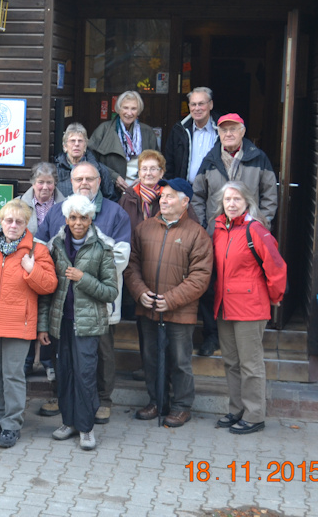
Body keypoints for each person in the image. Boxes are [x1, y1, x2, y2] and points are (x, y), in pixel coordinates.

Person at [35, 162, 131, 423]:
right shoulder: (58, 212)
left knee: (100, 352)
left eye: (90, 179)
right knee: (63, 353)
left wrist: (84, 271)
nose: (84, 183)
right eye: (79, 180)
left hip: (97, 299)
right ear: (71, 183)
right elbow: (41, 247)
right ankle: (63, 397)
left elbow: (121, 256)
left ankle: (103, 399)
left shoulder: (115, 213)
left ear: (100, 182)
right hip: (63, 300)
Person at [124, 178, 213, 428]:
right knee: (151, 358)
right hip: (148, 307)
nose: (163, 200)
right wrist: (140, 292)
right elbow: (131, 266)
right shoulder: (144, 229)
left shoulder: (198, 234)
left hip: (180, 311)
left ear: (185, 202)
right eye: (162, 196)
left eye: (170, 196)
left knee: (179, 361)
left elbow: (200, 277)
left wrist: (170, 300)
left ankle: (182, 406)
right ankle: (156, 402)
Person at [192, 113, 278, 357]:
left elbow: (270, 195)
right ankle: (212, 335)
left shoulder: (258, 157)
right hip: (216, 233)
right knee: (212, 284)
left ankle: (243, 333)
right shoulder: (210, 159)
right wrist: (204, 225)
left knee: (244, 281)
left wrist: (263, 223)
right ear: (218, 134)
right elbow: (198, 195)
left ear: (242, 131)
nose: (227, 134)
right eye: (223, 130)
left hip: (248, 235)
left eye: (233, 130)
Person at [38, 195, 119, 451]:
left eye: (83, 217)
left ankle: (85, 428)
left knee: (85, 375)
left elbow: (110, 292)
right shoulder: (56, 246)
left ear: (91, 218)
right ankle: (68, 422)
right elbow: (47, 290)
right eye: (73, 217)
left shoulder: (103, 248)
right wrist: (43, 325)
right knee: (65, 375)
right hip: (61, 322)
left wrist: (83, 278)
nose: (78, 223)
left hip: (88, 325)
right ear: (66, 219)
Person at [0, 199, 58, 449]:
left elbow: (49, 285)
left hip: (18, 323)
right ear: (0, 222)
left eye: (19, 221)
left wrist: (32, 269)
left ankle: (12, 425)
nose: (13, 225)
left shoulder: (36, 250)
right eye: (8, 220)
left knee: (13, 375)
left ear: (26, 224)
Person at [212, 181, 287, 435]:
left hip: (250, 307)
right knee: (231, 362)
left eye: (236, 200)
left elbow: (276, 267)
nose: (231, 204)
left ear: (247, 202)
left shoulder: (255, 229)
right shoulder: (220, 228)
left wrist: (275, 297)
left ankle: (255, 415)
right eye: (227, 200)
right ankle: (237, 409)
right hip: (225, 305)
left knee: (250, 364)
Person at [118, 151, 199, 378]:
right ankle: (149, 368)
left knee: (167, 330)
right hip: (136, 266)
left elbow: (191, 230)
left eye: (154, 169)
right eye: (144, 169)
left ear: (162, 172)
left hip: (167, 267)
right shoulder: (128, 197)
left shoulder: (172, 196)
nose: (149, 173)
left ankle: (166, 379)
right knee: (144, 318)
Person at [19, 161, 65, 379]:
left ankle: (48, 361)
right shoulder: (19, 204)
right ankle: (27, 361)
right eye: (40, 182)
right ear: (32, 183)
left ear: (55, 183)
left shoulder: (66, 205)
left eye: (49, 182)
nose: (45, 187)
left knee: (51, 314)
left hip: (56, 268)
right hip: (27, 267)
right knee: (28, 313)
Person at [89, 90, 160, 196]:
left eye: (133, 109)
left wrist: (143, 178)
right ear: (118, 109)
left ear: (138, 111)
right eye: (125, 108)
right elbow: (91, 160)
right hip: (110, 191)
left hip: (142, 191)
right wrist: (114, 177)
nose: (129, 113)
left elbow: (158, 162)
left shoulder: (147, 132)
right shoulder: (104, 130)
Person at [163, 87, 219, 182]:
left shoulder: (222, 129)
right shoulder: (179, 130)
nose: (197, 108)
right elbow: (169, 163)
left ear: (211, 105)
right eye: (193, 104)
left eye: (201, 104)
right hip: (185, 190)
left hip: (214, 192)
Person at [54, 123, 115, 200]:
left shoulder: (100, 170)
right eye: (72, 141)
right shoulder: (55, 170)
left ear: (85, 146)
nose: (76, 144)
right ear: (65, 146)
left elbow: (110, 199)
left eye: (80, 141)